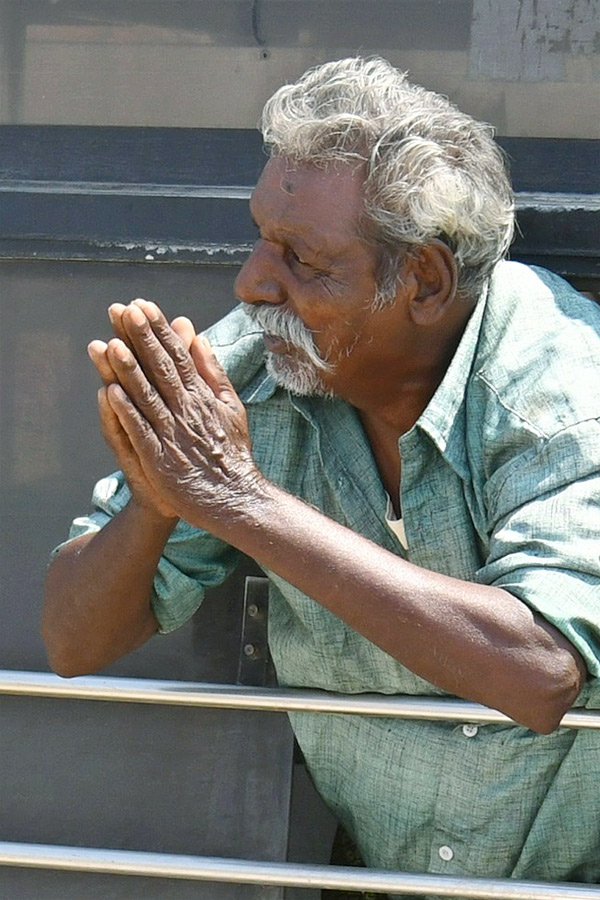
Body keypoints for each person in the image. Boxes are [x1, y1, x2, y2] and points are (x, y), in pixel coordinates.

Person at [43, 57, 600, 889]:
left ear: (425, 280)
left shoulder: (557, 388)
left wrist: (239, 501)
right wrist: (161, 501)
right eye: (261, 237)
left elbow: (542, 668)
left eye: (302, 258)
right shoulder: (251, 369)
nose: (252, 281)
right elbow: (73, 640)